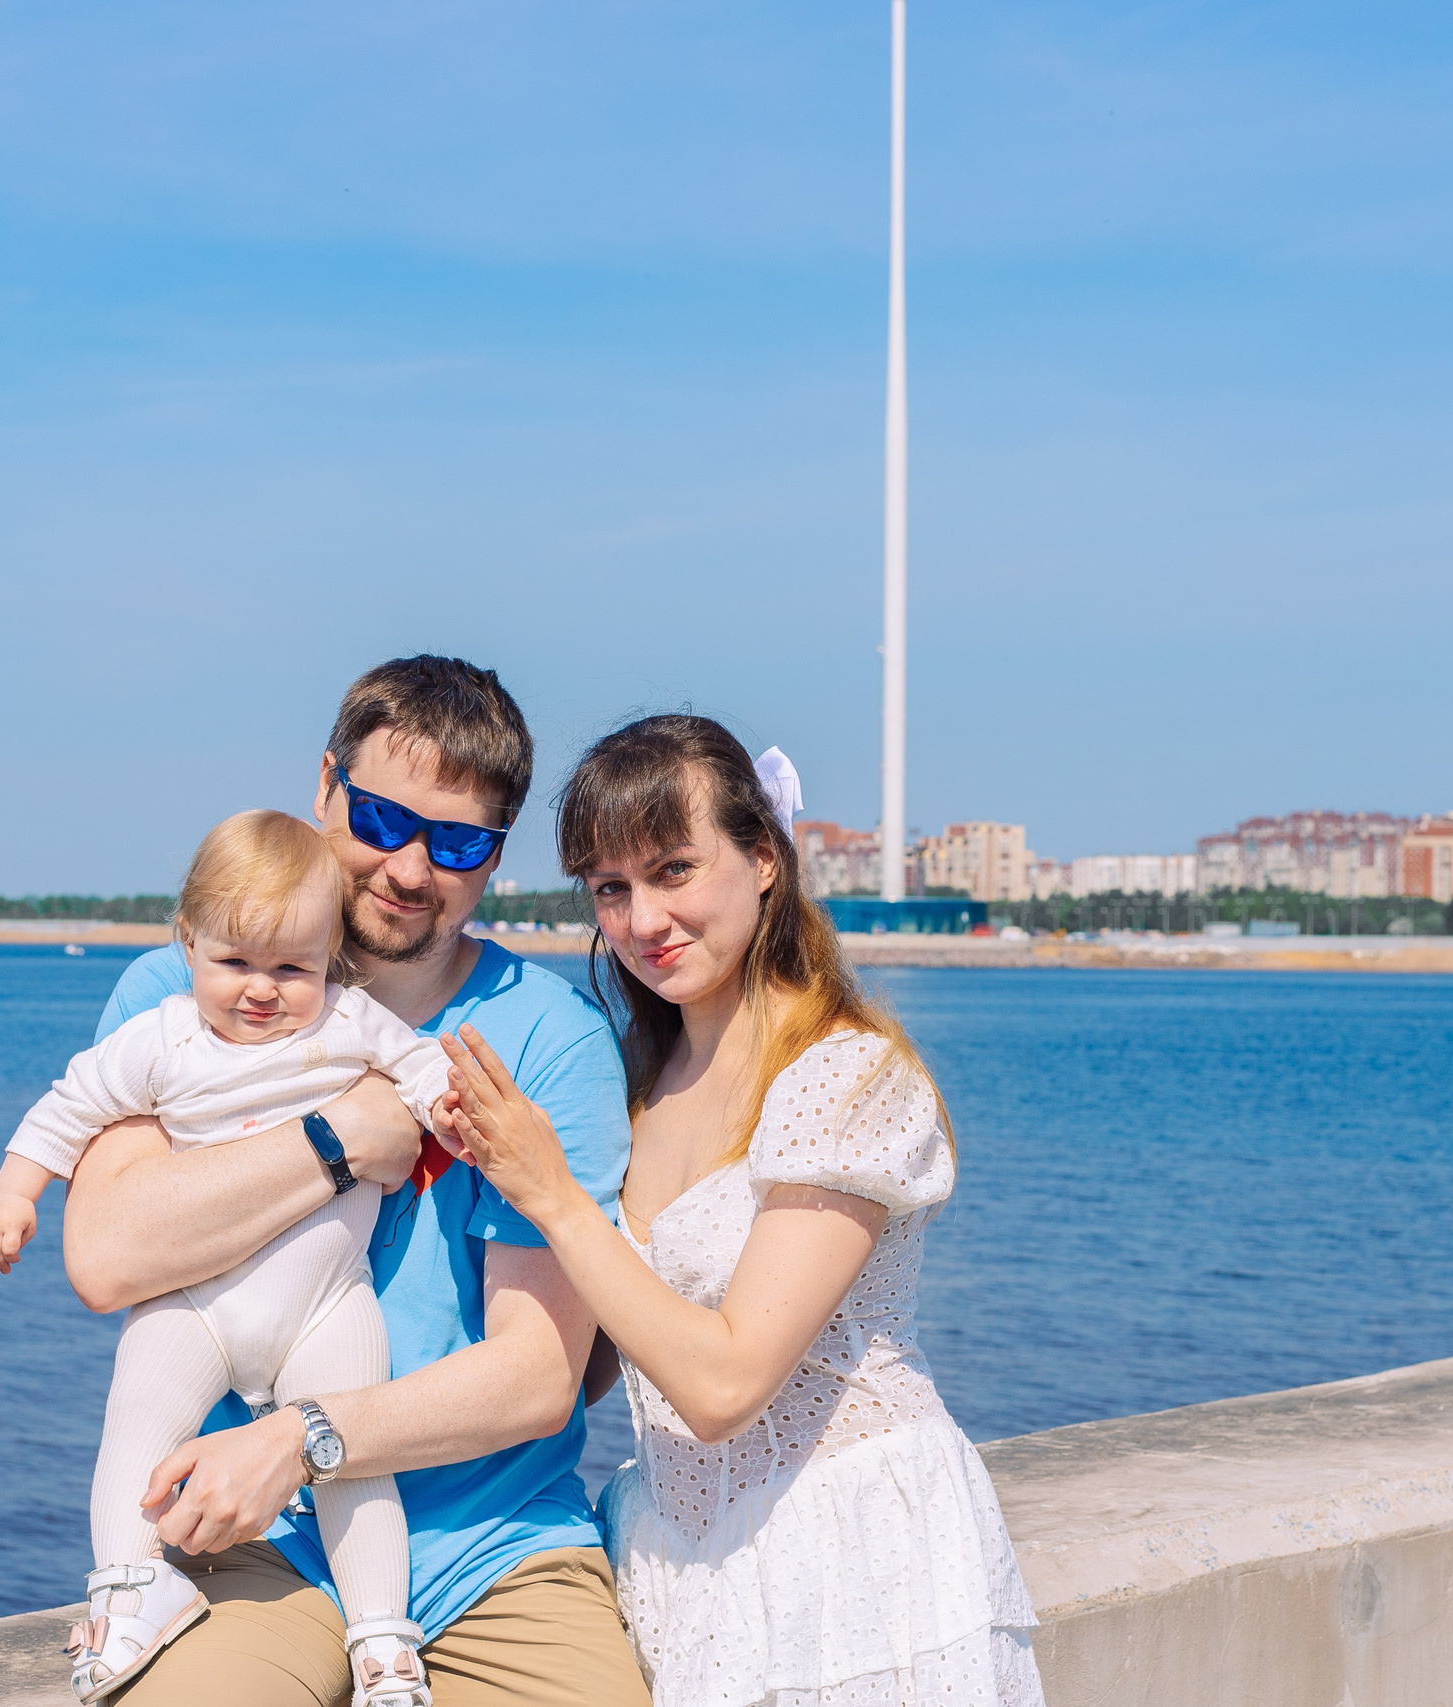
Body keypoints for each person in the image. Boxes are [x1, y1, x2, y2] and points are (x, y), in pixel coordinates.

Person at [57, 656, 651, 1707]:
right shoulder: (181, 994)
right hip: (250, 1546)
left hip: (491, 1549)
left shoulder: (550, 1039)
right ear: (325, 787)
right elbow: (106, 1258)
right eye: (380, 818)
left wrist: (299, 1440)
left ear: (496, 857)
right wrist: (339, 1138)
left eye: (458, 841)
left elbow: (537, 1375)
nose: (410, 868)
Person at [434, 714, 1047, 1707]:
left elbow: (723, 1387)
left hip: (849, 1563)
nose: (641, 920)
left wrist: (550, 1193)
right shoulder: (634, 1086)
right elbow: (598, 1363)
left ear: (763, 858)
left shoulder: (844, 1076)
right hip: (680, 1568)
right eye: (611, 888)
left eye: (674, 869)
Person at [0, 810, 456, 1705]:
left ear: (331, 959)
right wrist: (13, 1195)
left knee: (354, 1459)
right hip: (195, 1304)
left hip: (326, 1307)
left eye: (292, 968)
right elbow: (65, 1111)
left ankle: (383, 1637)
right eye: (235, 963)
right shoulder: (159, 1038)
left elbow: (421, 1068)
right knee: (135, 1425)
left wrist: (448, 1109)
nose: (262, 990)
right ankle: (126, 1584)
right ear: (187, 942)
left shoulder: (349, 1021)